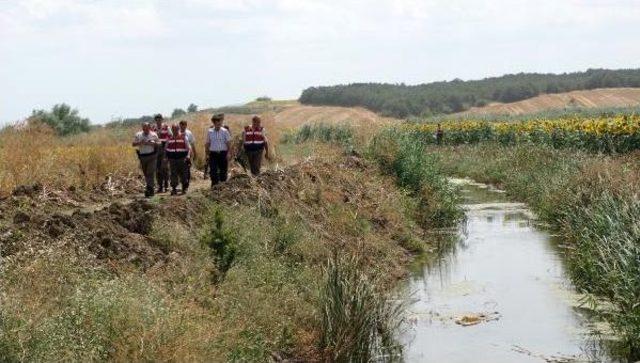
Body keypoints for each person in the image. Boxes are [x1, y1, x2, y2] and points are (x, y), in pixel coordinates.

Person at [132, 122, 160, 198]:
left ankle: (150, 189)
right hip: (142, 157)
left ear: (149, 127)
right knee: (146, 174)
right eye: (144, 128)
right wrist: (140, 142)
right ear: (142, 128)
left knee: (150, 173)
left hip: (152, 156)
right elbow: (133, 144)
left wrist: (153, 143)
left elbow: (159, 143)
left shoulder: (153, 134)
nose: (145, 130)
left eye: (147, 128)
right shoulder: (138, 135)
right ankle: (150, 188)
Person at [205, 114, 232, 186]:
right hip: (213, 154)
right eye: (217, 122)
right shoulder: (210, 132)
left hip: (223, 153)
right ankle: (214, 186)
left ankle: (223, 186)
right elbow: (207, 144)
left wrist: (229, 153)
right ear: (214, 123)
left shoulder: (225, 131)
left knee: (223, 171)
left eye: (220, 122)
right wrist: (207, 154)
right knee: (213, 171)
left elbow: (229, 143)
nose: (219, 124)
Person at [165, 124, 191, 195]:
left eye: (176, 129)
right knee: (173, 174)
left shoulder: (183, 137)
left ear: (178, 129)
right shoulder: (169, 138)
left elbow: (188, 148)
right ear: (172, 130)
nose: (175, 131)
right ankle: (174, 189)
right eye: (173, 129)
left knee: (184, 174)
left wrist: (188, 156)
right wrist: (166, 158)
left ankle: (184, 188)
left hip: (182, 158)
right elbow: (166, 149)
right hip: (172, 159)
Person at [152, 114, 172, 193]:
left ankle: (166, 185)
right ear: (155, 120)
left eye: (160, 119)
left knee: (164, 168)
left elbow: (170, 136)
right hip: (156, 149)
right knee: (157, 169)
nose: (158, 121)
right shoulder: (153, 128)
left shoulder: (166, 127)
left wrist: (167, 146)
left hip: (165, 148)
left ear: (162, 120)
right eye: (157, 120)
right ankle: (160, 186)